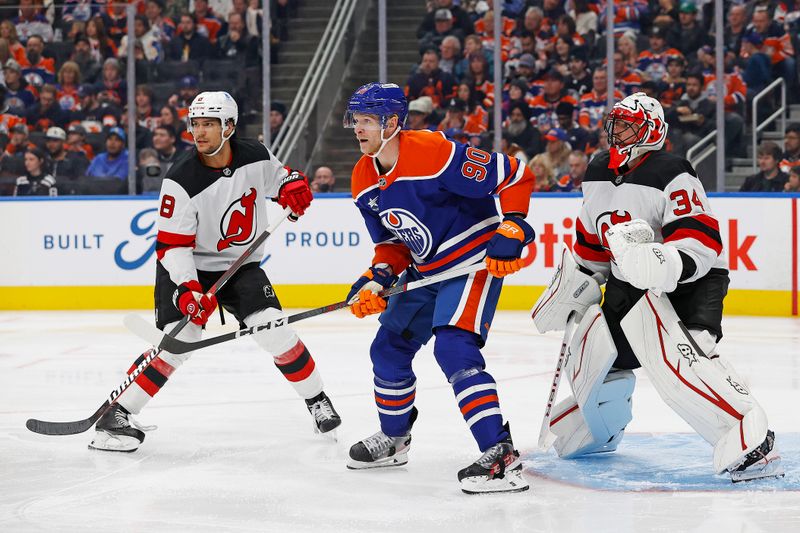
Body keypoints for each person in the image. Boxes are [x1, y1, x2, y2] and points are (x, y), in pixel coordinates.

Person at [532, 92, 783, 483]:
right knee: (597, 349)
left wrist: (662, 262)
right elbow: (591, 242)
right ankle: (599, 426)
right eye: (615, 124)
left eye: (628, 125)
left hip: (690, 281)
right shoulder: (598, 170)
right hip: (627, 280)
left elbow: (702, 239)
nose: (618, 132)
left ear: (650, 131)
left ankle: (749, 437)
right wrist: (577, 285)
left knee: (684, 357)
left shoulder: (672, 170)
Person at [89, 91, 341, 453]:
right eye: (195, 124)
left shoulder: (254, 154)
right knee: (181, 341)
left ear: (230, 126)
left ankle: (317, 400)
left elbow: (281, 179)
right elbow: (173, 246)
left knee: (274, 328)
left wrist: (292, 186)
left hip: (241, 266)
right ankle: (118, 414)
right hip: (187, 266)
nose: (200, 131)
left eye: (209, 123)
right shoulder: (181, 179)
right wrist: (189, 288)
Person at [342, 83, 535, 494]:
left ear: (392, 123)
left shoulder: (434, 153)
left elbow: (516, 175)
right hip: (426, 270)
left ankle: (500, 455)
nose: (358, 129)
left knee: (454, 348)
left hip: (472, 263)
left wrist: (513, 224)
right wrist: (376, 277)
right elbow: (392, 244)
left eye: (367, 121)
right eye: (355, 120)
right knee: (388, 348)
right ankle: (394, 439)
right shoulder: (362, 177)